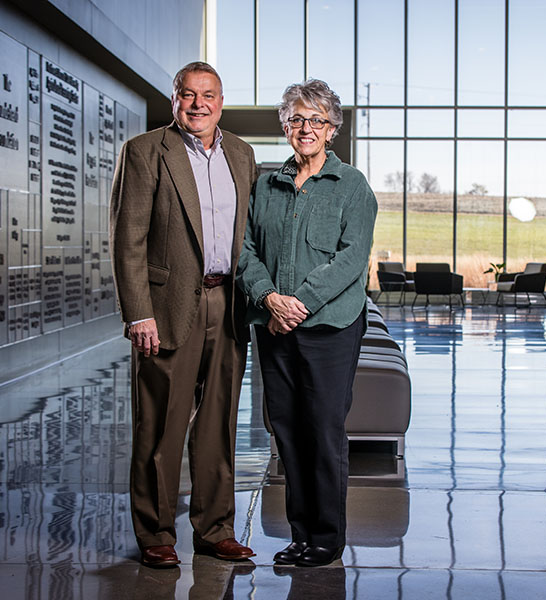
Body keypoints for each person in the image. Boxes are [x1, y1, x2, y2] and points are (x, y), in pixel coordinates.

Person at [110, 61, 257, 568]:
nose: (199, 104)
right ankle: (156, 533)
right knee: (160, 425)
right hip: (168, 308)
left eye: (208, 95)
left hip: (229, 302)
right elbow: (127, 240)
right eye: (188, 95)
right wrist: (138, 313)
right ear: (175, 100)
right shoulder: (146, 151)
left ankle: (215, 529)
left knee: (219, 424)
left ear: (222, 100)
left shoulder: (242, 153)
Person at [237, 79, 377, 567]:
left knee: (321, 429)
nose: (306, 128)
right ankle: (299, 532)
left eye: (316, 120)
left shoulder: (352, 186)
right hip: (274, 326)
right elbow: (246, 250)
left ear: (333, 129)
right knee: (287, 430)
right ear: (285, 125)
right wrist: (269, 298)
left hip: (330, 328)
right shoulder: (266, 186)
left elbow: (351, 258)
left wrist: (297, 303)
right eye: (297, 119)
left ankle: (325, 537)